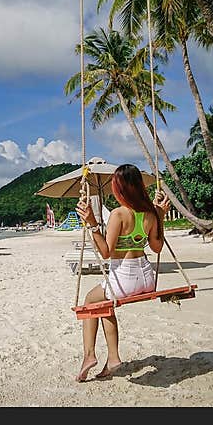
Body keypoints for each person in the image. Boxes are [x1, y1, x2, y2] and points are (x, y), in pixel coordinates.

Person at [73, 164, 171, 382]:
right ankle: (111, 359)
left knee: (90, 300)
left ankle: (91, 355)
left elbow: (106, 253)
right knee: (104, 304)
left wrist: (93, 225)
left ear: (120, 188)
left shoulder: (119, 214)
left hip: (125, 279)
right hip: (147, 278)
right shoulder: (150, 213)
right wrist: (161, 216)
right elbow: (156, 248)